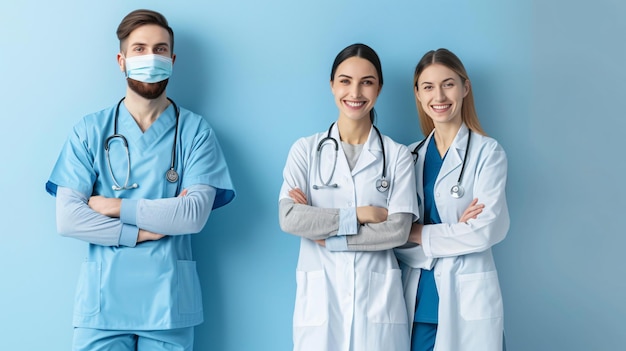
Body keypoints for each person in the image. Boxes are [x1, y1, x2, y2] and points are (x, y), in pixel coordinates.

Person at [45, 9, 235, 351]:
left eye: (160, 49)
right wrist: (139, 232)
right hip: (102, 308)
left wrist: (113, 206)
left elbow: (191, 215)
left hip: (168, 306)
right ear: (121, 60)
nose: (151, 57)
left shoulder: (195, 133)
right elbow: (69, 218)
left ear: (172, 59)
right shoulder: (90, 132)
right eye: (140, 49)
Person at [278, 43, 419, 351]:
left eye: (366, 82)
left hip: (377, 306)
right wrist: (359, 214)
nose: (355, 92)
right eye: (345, 80)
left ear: (379, 88)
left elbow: (397, 230)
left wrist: (329, 237)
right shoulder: (306, 150)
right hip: (321, 305)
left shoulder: (396, 156)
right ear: (332, 85)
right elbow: (289, 218)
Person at [394, 48, 510, 351]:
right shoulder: (409, 156)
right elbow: (394, 237)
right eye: (428, 87)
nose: (439, 96)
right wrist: (456, 232)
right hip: (420, 300)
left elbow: (486, 230)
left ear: (464, 87)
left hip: (468, 296)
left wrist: (419, 232)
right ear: (418, 94)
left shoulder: (488, 153)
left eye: (448, 84)